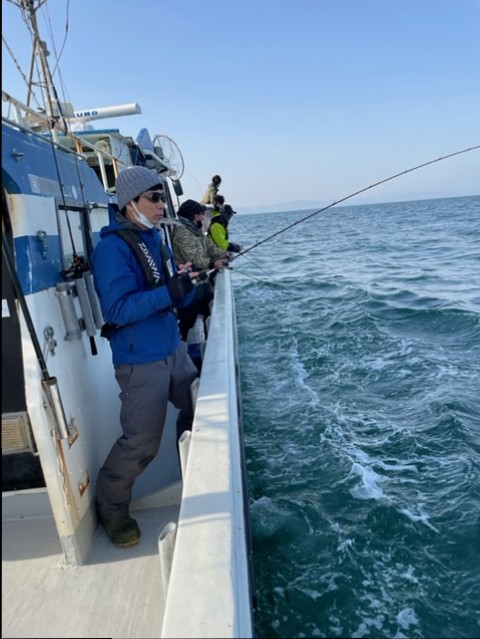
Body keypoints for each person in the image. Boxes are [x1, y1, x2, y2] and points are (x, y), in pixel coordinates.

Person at [91, 166, 199, 548]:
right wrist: (168, 293)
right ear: (130, 203)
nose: (160, 204)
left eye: (162, 197)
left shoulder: (154, 238)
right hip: (141, 363)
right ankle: (111, 508)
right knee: (141, 444)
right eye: (153, 198)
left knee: (197, 408)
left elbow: (169, 293)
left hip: (173, 350)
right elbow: (117, 309)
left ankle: (193, 468)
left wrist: (185, 285)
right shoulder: (112, 249)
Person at [172, 199, 229, 341]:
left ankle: (209, 341)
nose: (203, 218)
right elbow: (194, 260)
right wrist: (213, 263)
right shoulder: (182, 233)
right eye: (201, 215)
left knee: (209, 312)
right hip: (190, 286)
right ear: (194, 216)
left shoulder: (196, 231)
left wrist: (224, 254)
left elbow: (211, 248)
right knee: (186, 323)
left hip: (202, 282)